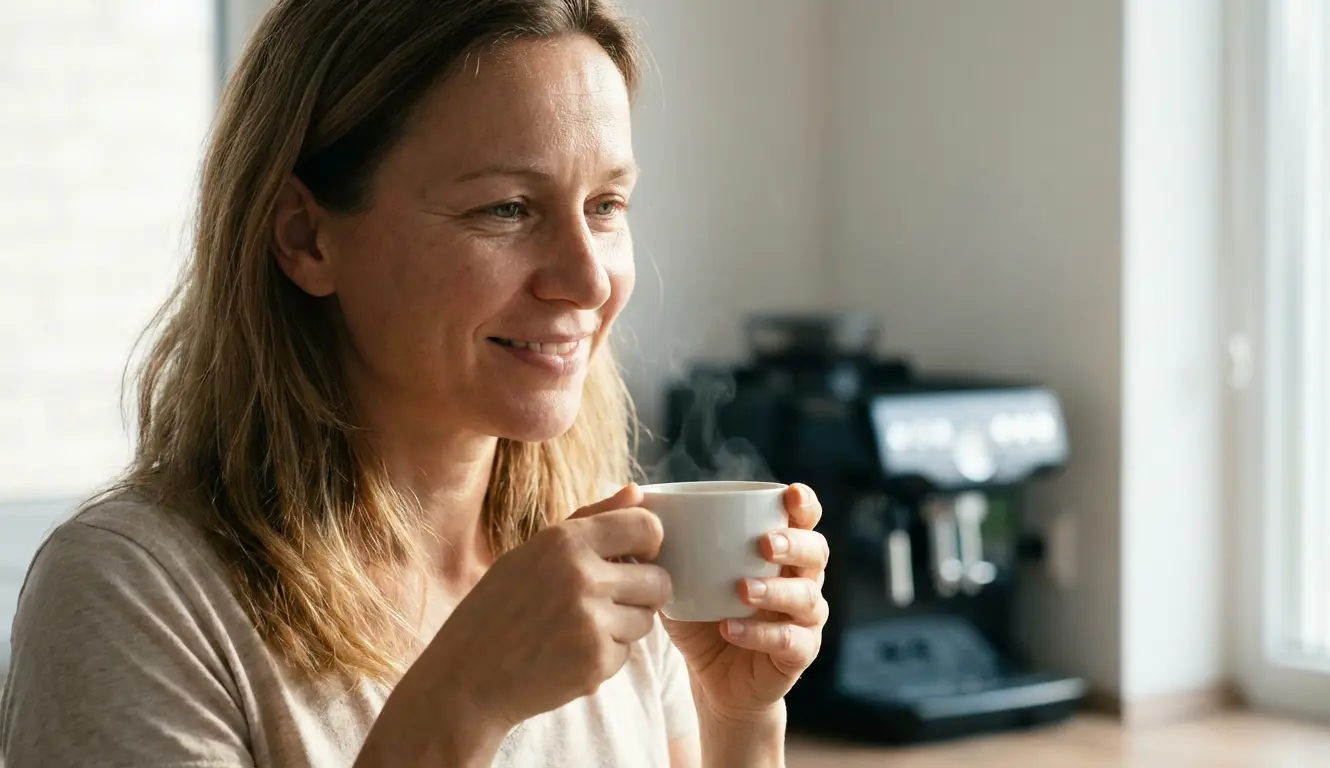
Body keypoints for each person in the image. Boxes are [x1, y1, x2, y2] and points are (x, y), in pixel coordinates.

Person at [0, 1, 830, 766]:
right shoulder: (132, 598)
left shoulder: (606, 557)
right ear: (307, 238)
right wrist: (462, 701)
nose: (588, 279)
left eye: (607, 205)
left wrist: (738, 722)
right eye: (507, 208)